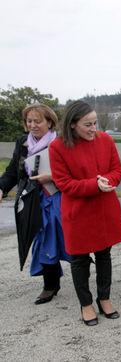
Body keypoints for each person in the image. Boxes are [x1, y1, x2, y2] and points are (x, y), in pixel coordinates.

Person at [49, 100, 121, 326]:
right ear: (73, 124)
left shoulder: (106, 140)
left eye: (95, 123)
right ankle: (86, 304)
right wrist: (95, 184)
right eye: (88, 124)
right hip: (78, 211)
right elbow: (63, 184)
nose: (94, 128)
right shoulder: (57, 147)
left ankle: (104, 298)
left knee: (104, 255)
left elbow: (117, 170)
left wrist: (108, 181)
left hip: (104, 208)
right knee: (79, 259)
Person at [0, 104, 70, 304]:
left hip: (57, 197)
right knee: (42, 238)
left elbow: (74, 170)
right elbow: (13, 171)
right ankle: (50, 284)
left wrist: (53, 176)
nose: (32, 125)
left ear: (49, 122)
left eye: (37, 121)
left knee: (61, 237)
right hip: (32, 199)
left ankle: (79, 277)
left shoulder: (61, 142)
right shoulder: (22, 143)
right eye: (29, 121)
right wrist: (1, 188)